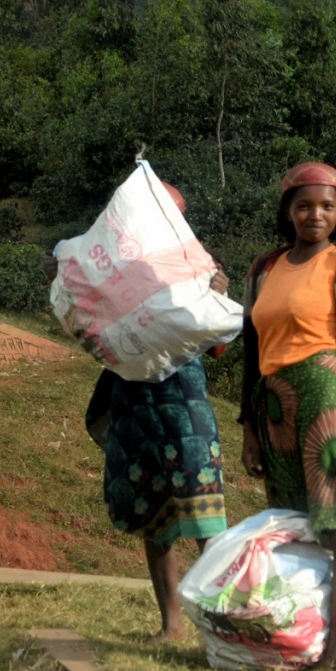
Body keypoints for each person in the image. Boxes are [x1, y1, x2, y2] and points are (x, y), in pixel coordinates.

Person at [63, 182, 231, 643]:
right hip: (135, 400)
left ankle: (224, 624)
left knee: (203, 508)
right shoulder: (107, 267)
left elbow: (215, 346)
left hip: (183, 401)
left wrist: (216, 295)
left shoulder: (200, 265)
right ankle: (172, 624)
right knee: (151, 507)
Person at [238, 161, 336, 671]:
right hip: (274, 404)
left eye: (326, 205)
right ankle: (300, 639)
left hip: (325, 396)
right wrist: (249, 428)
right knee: (296, 523)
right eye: (303, 205)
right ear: (287, 212)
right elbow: (251, 350)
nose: (314, 214)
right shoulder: (263, 268)